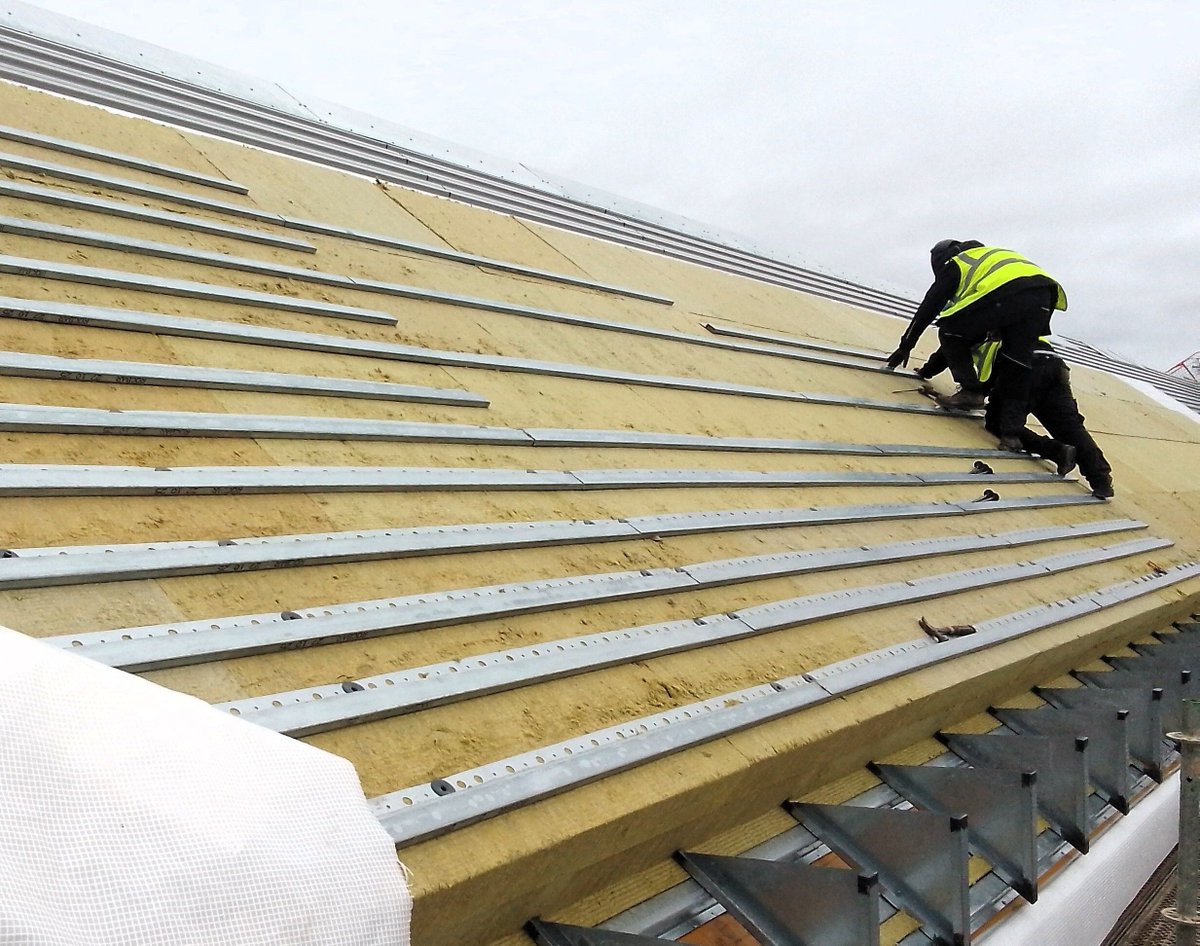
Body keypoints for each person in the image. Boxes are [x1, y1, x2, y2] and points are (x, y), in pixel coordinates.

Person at [886, 240, 1068, 442]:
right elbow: (969, 336)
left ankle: (971, 391)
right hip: (1044, 294)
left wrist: (906, 346)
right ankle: (1011, 434)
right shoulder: (992, 260)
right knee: (1017, 363)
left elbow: (928, 310)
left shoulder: (958, 264)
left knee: (949, 330)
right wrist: (928, 371)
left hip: (1010, 292)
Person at [917, 338, 1116, 499]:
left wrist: (928, 375)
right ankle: (1101, 480)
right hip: (1054, 364)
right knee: (1069, 427)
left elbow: (951, 354)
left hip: (1021, 365)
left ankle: (1057, 451)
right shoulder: (1008, 320)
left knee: (998, 422)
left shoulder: (966, 331)